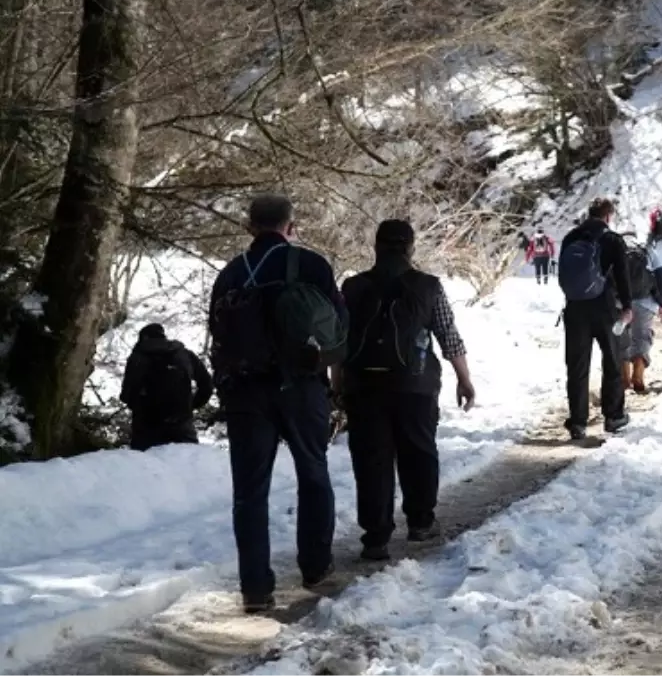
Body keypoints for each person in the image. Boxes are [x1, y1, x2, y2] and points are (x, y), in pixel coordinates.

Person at [208, 194, 347, 614]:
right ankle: (316, 567)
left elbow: (216, 333)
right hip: (302, 387)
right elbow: (339, 329)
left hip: (246, 393)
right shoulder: (312, 265)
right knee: (313, 473)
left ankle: (255, 588)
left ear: (250, 226)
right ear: (291, 224)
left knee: (250, 491)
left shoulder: (231, 273)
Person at [335, 220, 476, 560]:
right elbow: (448, 335)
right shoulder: (428, 286)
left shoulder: (352, 287)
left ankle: (375, 537)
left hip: (364, 386)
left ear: (376, 247)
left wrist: (337, 385)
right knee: (419, 452)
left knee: (371, 459)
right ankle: (421, 522)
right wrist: (464, 379)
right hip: (415, 385)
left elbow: (338, 340)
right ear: (411, 248)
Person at [558, 197, 634, 440]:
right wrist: (628, 306)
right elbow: (623, 275)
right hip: (605, 308)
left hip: (575, 308)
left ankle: (578, 422)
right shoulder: (612, 239)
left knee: (577, 365)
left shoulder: (571, 237)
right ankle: (613, 416)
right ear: (608, 216)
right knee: (612, 360)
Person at [120, 323, 212, 451]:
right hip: (182, 423)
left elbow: (127, 394)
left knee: (146, 467)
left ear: (144, 337)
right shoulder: (184, 354)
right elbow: (206, 385)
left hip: (146, 425)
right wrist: (190, 405)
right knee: (189, 464)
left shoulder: (138, 357)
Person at [619, 232, 662, 393]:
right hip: (645, 300)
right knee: (641, 335)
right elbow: (660, 275)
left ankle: (624, 377)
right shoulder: (646, 249)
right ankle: (638, 373)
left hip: (619, 301)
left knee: (621, 336)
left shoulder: (614, 248)